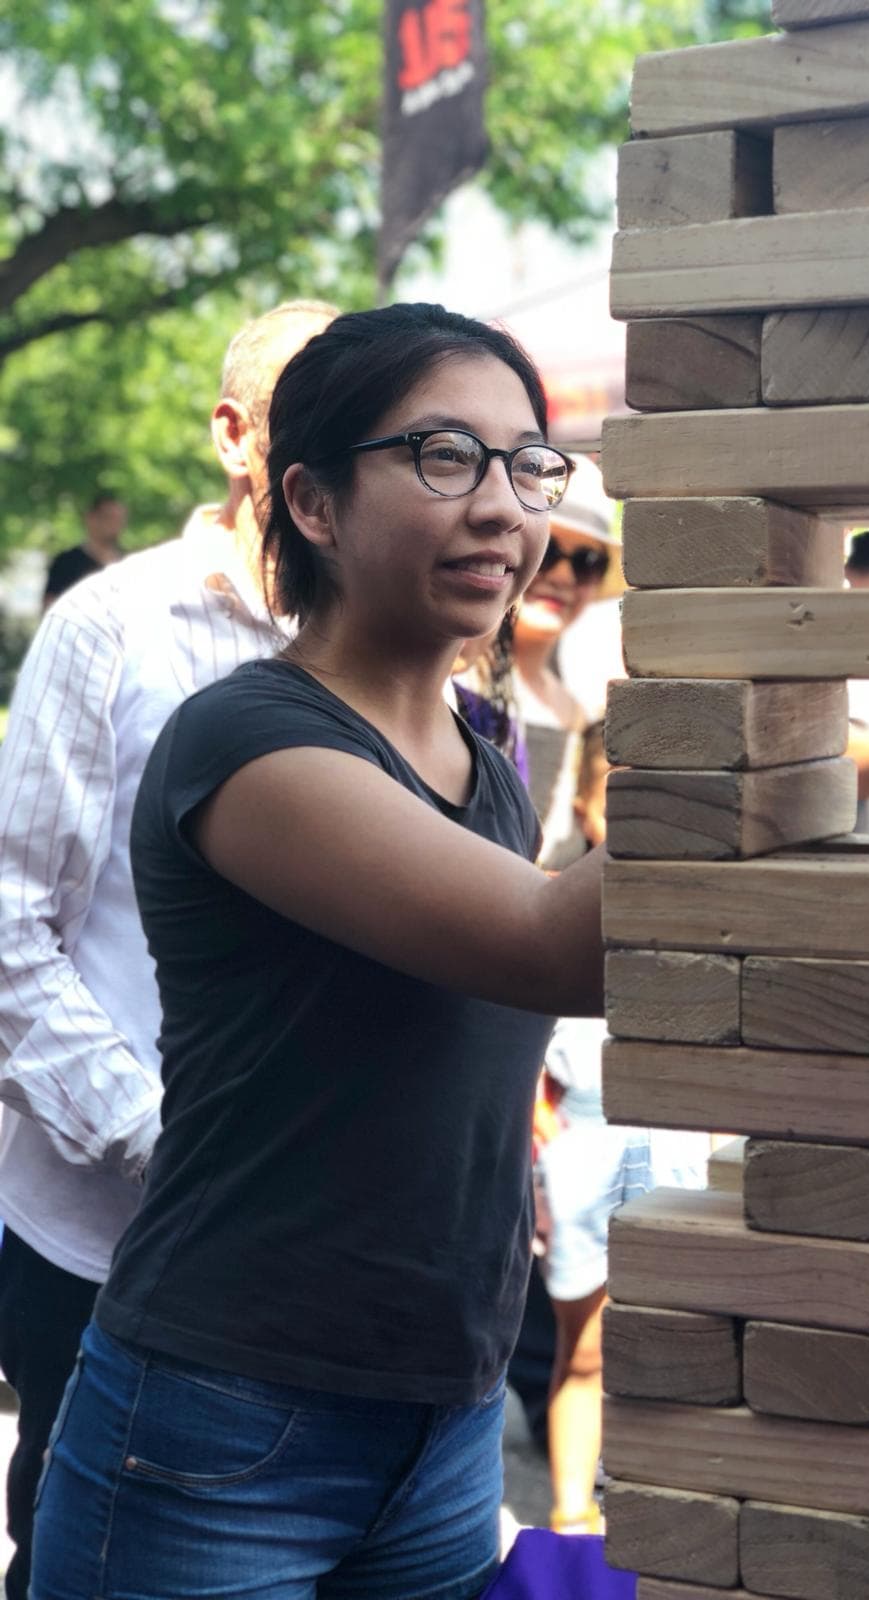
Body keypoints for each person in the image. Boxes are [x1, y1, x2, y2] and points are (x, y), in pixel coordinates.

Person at [30, 302, 606, 1600]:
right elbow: (549, 945)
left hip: (443, 1421)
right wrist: (795, 687)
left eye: (526, 465)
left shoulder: (484, 754)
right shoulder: (251, 744)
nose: (504, 509)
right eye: (443, 457)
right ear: (315, 500)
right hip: (226, 1425)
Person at [0, 299, 336, 1600]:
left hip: (306, 1239)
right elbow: (11, 930)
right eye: (324, 407)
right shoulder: (115, 627)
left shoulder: (384, 646)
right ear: (235, 437)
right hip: (106, 1234)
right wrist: (166, 1142)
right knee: (87, 1556)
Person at [535, 723, 708, 1536]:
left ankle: (658, 1502)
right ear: (585, 805)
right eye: (619, 793)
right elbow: (520, 1045)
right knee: (587, 1345)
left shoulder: (702, 911)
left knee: (678, 1345)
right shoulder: (553, 901)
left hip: (681, 1139)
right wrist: (539, 1137)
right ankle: (572, 1509)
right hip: (586, 1138)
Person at [511, 455, 622, 868]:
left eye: (587, 562)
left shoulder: (579, 716)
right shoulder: (445, 683)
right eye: (548, 550)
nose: (562, 577)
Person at [42, 492, 127, 608]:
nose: (115, 525)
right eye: (109, 518)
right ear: (90, 518)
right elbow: (50, 605)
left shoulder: (128, 564)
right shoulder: (66, 562)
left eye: (120, 519)